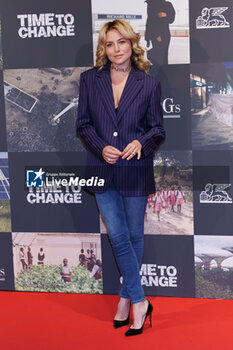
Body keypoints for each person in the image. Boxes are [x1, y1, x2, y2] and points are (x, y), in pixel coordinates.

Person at [76, 19, 165, 336]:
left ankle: (126, 300)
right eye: (110, 44)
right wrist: (102, 149)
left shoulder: (149, 84)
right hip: (102, 169)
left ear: (132, 44)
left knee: (134, 237)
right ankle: (140, 301)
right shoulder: (89, 80)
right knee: (117, 236)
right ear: (104, 48)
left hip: (135, 169)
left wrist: (142, 142)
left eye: (122, 42)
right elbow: (83, 125)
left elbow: (158, 129)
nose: (116, 49)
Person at [145, 0, 175, 66]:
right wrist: (156, 35)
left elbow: (172, 19)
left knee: (164, 55)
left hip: (165, 33)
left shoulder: (168, 4)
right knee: (159, 56)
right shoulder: (151, 4)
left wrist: (166, 15)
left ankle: (164, 72)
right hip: (156, 34)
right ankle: (160, 72)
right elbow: (151, 21)